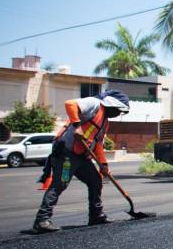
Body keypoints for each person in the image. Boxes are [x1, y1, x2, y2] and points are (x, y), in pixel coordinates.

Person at [33, 90, 130, 233]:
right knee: (60, 183)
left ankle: (96, 215)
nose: (118, 114)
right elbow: (70, 104)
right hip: (66, 155)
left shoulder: (105, 123)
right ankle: (41, 220)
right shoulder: (94, 104)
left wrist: (103, 165)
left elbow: (97, 145)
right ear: (112, 105)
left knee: (96, 180)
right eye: (118, 110)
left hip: (82, 157)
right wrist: (77, 127)